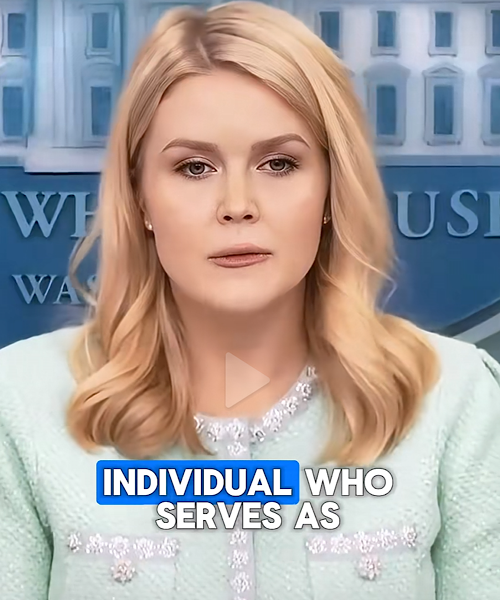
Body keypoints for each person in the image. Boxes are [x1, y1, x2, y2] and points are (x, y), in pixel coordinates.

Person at [0, 2, 499, 599]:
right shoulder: (21, 401)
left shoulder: (454, 397)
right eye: (194, 167)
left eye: (279, 163)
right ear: (139, 198)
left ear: (331, 189)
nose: (237, 205)